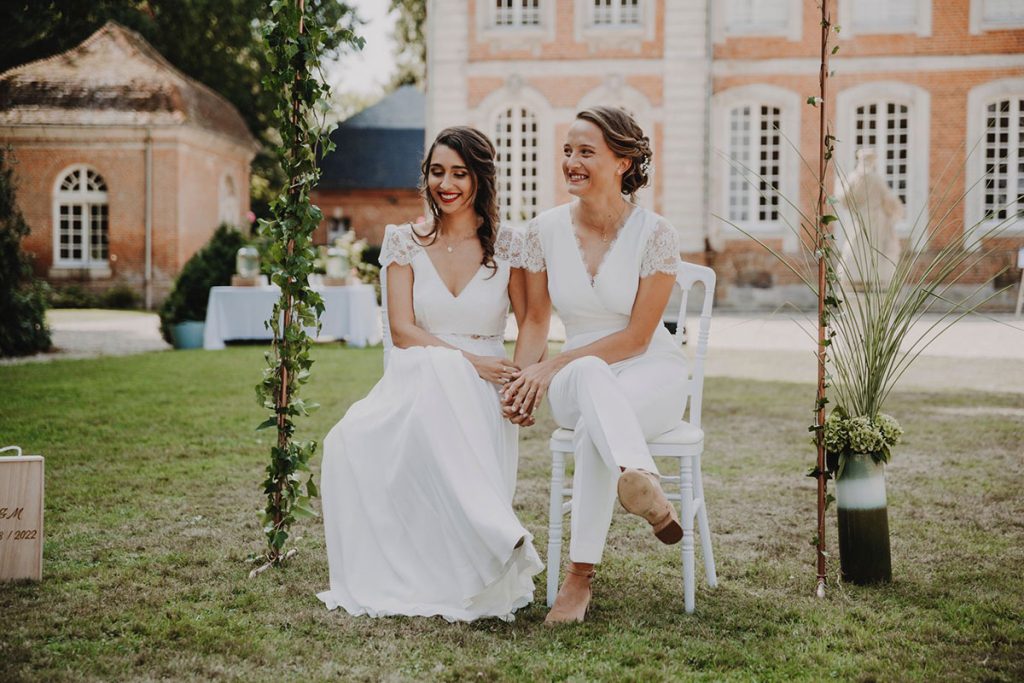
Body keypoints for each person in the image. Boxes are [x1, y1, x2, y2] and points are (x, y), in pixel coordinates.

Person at [317, 126, 542, 622]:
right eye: (437, 171)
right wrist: (469, 363)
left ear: (481, 179)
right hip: (420, 374)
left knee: (455, 386)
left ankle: (488, 541)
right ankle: (496, 533)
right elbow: (401, 329)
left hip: (489, 384)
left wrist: (520, 384)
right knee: (344, 440)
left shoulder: (511, 245)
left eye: (460, 173)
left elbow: (532, 322)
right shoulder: (404, 240)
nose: (447, 183)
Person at [503, 106, 687, 624]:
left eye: (586, 152)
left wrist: (552, 365)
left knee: (592, 432)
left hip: (652, 372)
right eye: (567, 151)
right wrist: (524, 378)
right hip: (575, 378)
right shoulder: (541, 231)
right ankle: (646, 486)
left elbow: (636, 337)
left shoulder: (657, 234)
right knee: (586, 378)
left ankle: (578, 579)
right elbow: (536, 321)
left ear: (623, 161)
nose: (571, 162)